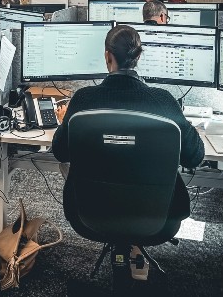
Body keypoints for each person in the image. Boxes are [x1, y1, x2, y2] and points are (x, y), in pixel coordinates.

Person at [52, 25, 204, 276]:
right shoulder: (163, 101)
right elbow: (195, 156)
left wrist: (66, 122)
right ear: (139, 57)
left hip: (89, 212)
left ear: (107, 56)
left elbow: (60, 152)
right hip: (158, 218)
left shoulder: (84, 100)